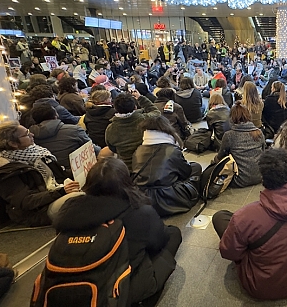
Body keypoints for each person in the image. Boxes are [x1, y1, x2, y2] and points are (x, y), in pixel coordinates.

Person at [53, 157, 181, 305]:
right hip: (114, 289)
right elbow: (158, 241)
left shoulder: (70, 210)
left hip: (65, 289)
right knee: (172, 233)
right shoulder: (139, 211)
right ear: (126, 181)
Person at [212, 149, 287, 300]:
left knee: (220, 217)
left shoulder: (245, 216)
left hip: (261, 287)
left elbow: (229, 253)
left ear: (263, 178)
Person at [0, 122, 81, 226]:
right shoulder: (4, 171)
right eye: (26, 134)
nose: (32, 135)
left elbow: (60, 175)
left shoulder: (37, 154)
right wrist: (61, 192)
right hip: (37, 212)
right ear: (13, 143)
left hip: (56, 195)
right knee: (79, 199)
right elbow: (26, 201)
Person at [131, 116, 202, 217]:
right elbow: (185, 172)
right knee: (195, 167)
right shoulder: (171, 150)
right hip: (169, 197)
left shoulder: (138, 150)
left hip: (143, 198)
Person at [29, 104, 97, 171]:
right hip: (74, 172)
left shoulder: (29, 136)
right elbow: (93, 149)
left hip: (47, 173)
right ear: (56, 116)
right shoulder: (75, 130)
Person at [104, 91, 161, 171]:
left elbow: (112, 148)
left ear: (115, 108)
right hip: (148, 165)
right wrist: (141, 98)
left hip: (125, 169)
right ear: (135, 107)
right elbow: (156, 112)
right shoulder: (145, 120)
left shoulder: (110, 129)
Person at [213, 102, 265, 188]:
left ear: (232, 118)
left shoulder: (229, 135)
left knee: (216, 159)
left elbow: (220, 155)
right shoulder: (259, 132)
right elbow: (263, 152)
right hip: (259, 176)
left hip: (239, 180)